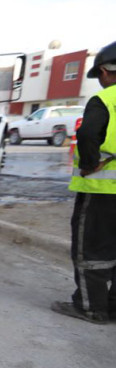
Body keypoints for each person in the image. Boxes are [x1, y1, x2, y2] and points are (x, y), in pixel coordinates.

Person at [51, 40, 116, 325]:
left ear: (104, 70)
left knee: (91, 250)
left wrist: (91, 164)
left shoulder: (105, 99)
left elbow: (89, 133)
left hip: (102, 191)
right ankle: (112, 307)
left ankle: (91, 308)